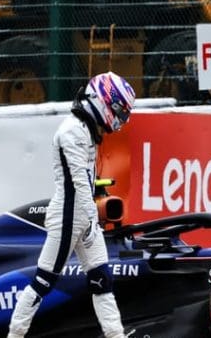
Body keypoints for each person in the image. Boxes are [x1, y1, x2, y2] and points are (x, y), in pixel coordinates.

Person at [8, 72, 137, 338]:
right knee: (43, 282)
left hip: (82, 216)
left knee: (102, 280)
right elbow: (79, 184)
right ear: (103, 102)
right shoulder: (71, 132)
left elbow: (85, 184)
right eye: (119, 110)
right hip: (69, 217)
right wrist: (91, 220)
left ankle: (116, 335)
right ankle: (15, 334)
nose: (121, 118)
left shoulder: (84, 130)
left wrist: (90, 219)